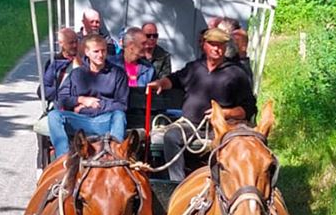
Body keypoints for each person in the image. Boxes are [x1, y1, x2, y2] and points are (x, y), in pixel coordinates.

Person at [151, 27, 257, 179]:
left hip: (221, 128)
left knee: (231, 144)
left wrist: (225, 113)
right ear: (204, 45)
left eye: (220, 45)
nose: (216, 48)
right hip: (191, 126)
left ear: (225, 47)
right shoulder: (194, 68)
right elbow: (175, 79)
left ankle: (222, 182)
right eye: (213, 44)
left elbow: (249, 108)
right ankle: (178, 183)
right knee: (170, 137)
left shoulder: (236, 73)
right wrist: (161, 83)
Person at [47, 34, 128, 158]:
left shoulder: (117, 73)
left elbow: (122, 104)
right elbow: (61, 99)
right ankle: (63, 158)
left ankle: (114, 157)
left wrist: (97, 105)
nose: (100, 55)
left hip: (105, 120)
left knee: (119, 116)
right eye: (96, 51)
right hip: (80, 120)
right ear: (87, 52)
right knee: (54, 116)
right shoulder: (77, 74)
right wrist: (81, 100)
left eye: (103, 51)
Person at [116, 27, 160, 134]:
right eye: (143, 43)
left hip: (140, 117)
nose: (147, 45)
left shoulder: (148, 69)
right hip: (117, 114)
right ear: (131, 46)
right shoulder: (112, 65)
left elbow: (155, 100)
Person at [41, 28, 82, 101]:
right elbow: (44, 90)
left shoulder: (85, 60)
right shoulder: (55, 62)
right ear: (61, 43)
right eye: (71, 43)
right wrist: (63, 93)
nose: (75, 45)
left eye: (76, 41)